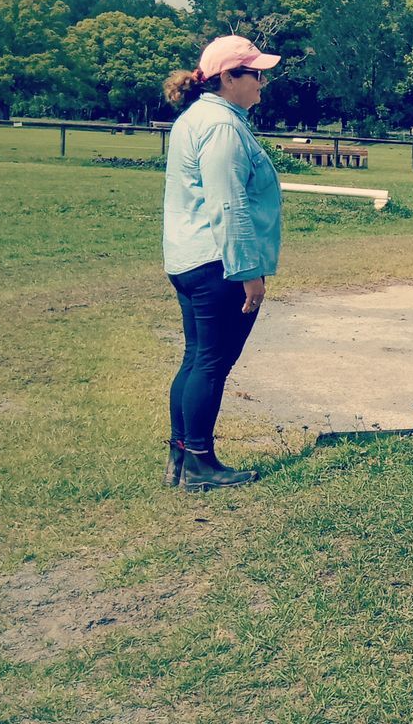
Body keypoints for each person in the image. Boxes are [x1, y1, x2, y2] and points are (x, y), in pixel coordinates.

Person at [160, 35, 284, 492]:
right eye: (254, 74)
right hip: (218, 262)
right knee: (211, 363)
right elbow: (228, 203)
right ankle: (199, 464)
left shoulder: (197, 118)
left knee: (196, 358)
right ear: (228, 78)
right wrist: (249, 273)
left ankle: (182, 455)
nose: (261, 83)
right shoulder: (222, 127)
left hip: (190, 258)